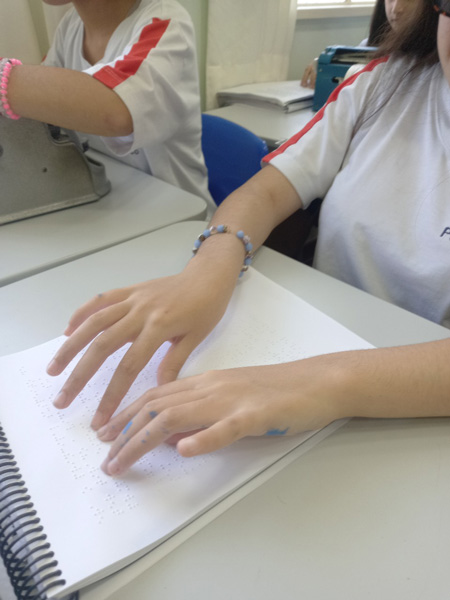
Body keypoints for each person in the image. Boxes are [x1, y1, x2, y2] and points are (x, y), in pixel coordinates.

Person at [44, 0, 450, 477]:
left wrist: (320, 382)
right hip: (307, 334)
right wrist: (210, 268)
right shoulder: (383, 83)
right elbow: (264, 192)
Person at [0, 0, 215, 212]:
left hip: (177, 220)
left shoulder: (167, 23)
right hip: (106, 206)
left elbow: (116, 111)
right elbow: (43, 109)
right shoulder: (71, 26)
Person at [300, 0, 411, 89]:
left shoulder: (427, 68)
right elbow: (350, 71)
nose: (396, 9)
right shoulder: (370, 46)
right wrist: (321, 67)